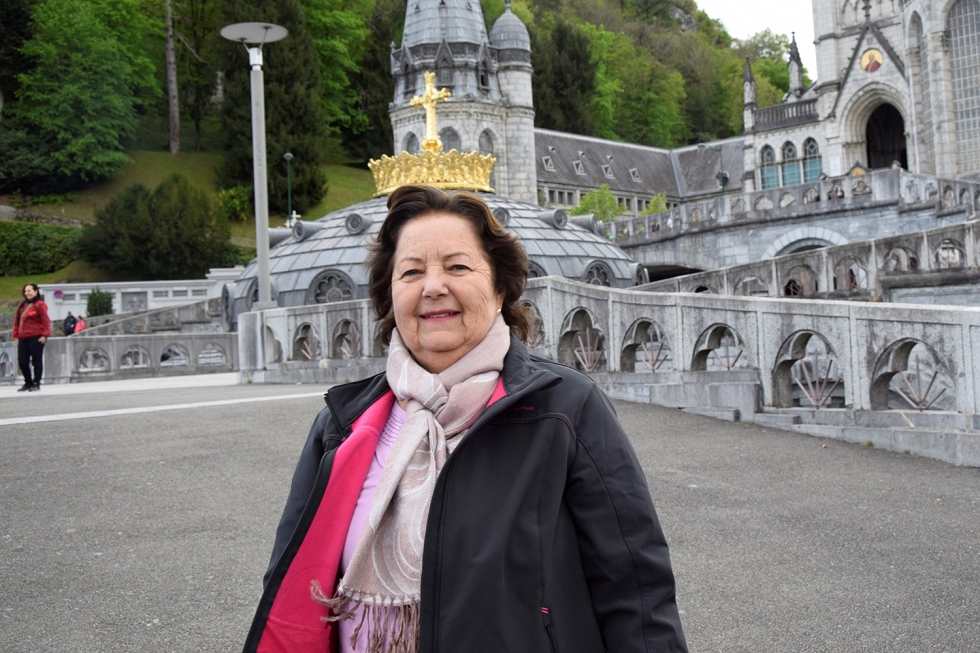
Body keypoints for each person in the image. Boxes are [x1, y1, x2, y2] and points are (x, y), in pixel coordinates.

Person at [243, 185, 687, 653]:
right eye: (411, 272)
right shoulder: (342, 423)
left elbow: (635, 585)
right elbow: (289, 578)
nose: (433, 287)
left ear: (499, 288)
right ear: (390, 296)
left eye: (457, 267)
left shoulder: (565, 407)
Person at [13, 282, 51, 392]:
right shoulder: (22, 305)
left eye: (29, 291)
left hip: (36, 336)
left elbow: (45, 320)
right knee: (22, 361)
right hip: (23, 337)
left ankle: (36, 382)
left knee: (36, 361)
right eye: (25, 291)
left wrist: (45, 334)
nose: (27, 293)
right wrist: (16, 335)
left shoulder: (40, 304)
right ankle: (28, 382)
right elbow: (17, 321)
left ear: (35, 291)